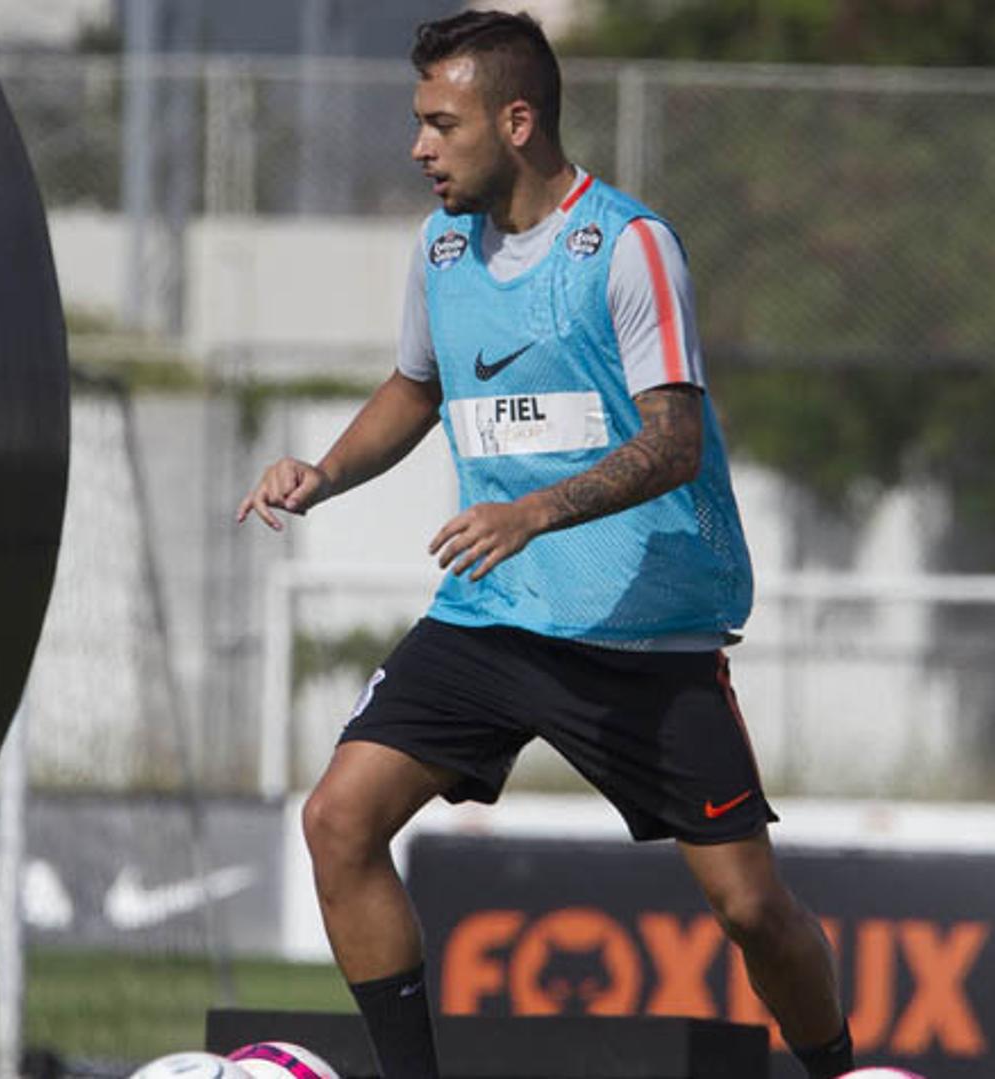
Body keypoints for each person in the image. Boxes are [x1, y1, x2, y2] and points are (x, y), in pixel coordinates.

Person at [234, 11, 854, 1079]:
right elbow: (418, 387)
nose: (419, 146)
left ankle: (844, 1069)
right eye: (419, 122)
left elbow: (674, 440)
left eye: (441, 123)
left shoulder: (627, 246)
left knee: (750, 906)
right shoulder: (438, 247)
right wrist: (325, 471)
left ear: (516, 121)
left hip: (643, 634)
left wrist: (531, 513)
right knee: (339, 817)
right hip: (495, 616)